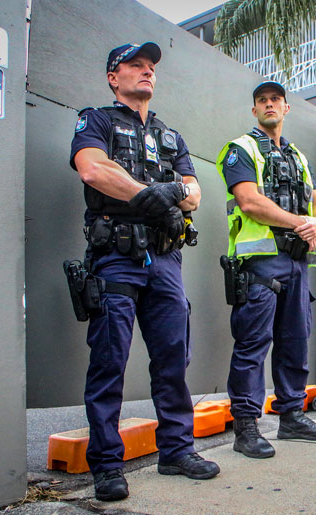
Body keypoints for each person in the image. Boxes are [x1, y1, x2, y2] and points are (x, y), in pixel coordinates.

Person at [70, 42, 219, 501]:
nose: (147, 72)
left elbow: (194, 193)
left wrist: (163, 192)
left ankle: (176, 450)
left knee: (174, 358)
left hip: (165, 260)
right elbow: (93, 170)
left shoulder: (171, 136)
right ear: (114, 76)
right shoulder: (96, 120)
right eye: (136, 65)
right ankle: (107, 466)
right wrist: (150, 195)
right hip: (116, 255)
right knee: (109, 362)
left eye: (151, 67)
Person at [216, 81, 316, 458]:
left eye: (275, 100)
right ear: (255, 111)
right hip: (261, 264)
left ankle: (291, 416)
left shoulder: (298, 155)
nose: (269, 105)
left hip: (297, 261)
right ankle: (247, 427)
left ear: (286, 108)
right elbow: (249, 202)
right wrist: (302, 221)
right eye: (262, 101)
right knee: (252, 345)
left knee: (295, 340)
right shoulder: (242, 149)